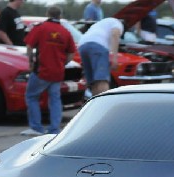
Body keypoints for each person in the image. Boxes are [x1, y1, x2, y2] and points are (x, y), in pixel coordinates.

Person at [20, 6, 75, 136]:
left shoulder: (41, 28)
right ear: (60, 16)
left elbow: (29, 46)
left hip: (42, 71)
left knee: (32, 96)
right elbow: (71, 54)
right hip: (58, 72)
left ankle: (36, 128)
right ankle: (54, 129)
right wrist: (62, 63)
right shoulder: (66, 32)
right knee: (55, 99)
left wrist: (31, 62)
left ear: (47, 14)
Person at [78, 17, 123, 96]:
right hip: (98, 46)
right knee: (102, 79)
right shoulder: (118, 23)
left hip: (82, 46)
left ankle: (96, 104)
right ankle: (105, 104)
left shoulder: (100, 24)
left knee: (93, 82)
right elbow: (115, 34)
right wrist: (115, 58)